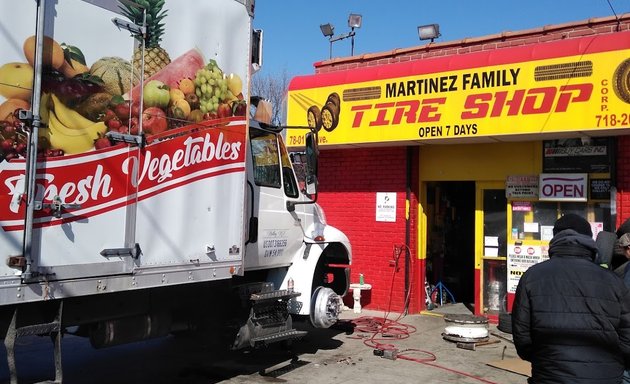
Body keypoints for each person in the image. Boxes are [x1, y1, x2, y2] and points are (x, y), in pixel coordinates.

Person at [512, 213, 630, 384]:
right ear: (589, 240)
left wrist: (545, 360)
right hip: (606, 376)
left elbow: (522, 336)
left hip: (551, 375)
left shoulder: (532, 276)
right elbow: (627, 336)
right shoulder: (613, 281)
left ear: (554, 239)